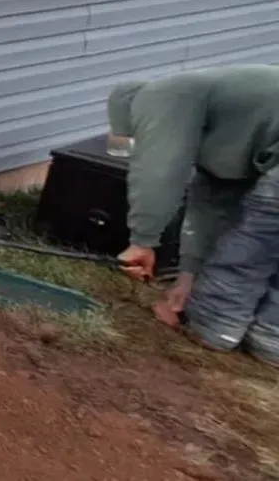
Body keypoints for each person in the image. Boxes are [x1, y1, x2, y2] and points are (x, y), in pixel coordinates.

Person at [107, 65, 279, 364]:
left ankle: (213, 329)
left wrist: (142, 240)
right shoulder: (227, 123)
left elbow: (159, 172)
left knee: (253, 246)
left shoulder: (164, 95)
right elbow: (210, 208)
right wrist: (187, 280)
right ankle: (270, 342)